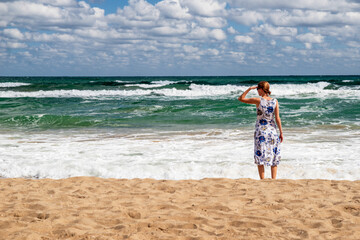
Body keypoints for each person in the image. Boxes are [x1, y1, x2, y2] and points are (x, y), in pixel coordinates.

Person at [238, 81, 283, 179]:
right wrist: (281, 133)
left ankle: (262, 180)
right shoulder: (275, 101)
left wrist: (249, 89)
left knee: (260, 155)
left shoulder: (258, 100)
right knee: (273, 155)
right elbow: (277, 118)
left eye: (258, 89)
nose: (257, 90)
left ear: (262, 89)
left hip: (261, 132)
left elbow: (240, 98)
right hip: (272, 131)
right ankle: (273, 179)